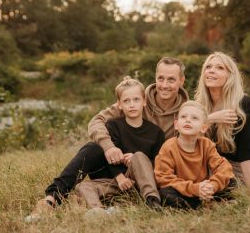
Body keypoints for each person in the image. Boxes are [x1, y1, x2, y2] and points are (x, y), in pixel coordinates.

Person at [26, 57, 188, 220]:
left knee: (143, 163)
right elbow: (96, 121)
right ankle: (51, 199)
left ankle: (145, 201)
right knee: (92, 148)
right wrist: (109, 147)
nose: (164, 85)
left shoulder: (186, 112)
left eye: (171, 80)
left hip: (150, 172)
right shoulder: (135, 96)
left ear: (181, 81)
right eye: (161, 78)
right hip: (115, 167)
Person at [75, 76, 164, 213]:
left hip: (144, 182)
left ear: (144, 101)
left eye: (136, 100)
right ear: (120, 105)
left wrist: (136, 161)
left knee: (139, 156)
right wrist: (120, 178)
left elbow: (159, 162)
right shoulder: (113, 125)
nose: (132, 105)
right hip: (117, 182)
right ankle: (98, 211)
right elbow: (108, 156)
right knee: (83, 186)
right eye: (126, 101)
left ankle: (152, 201)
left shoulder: (156, 132)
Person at [195, 52, 250, 192]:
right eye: (208, 67)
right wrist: (210, 118)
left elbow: (246, 152)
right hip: (200, 167)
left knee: (220, 189)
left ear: (230, 76)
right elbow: (186, 141)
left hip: (229, 169)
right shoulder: (198, 107)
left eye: (219, 68)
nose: (211, 70)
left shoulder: (243, 104)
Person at [154, 101, 234, 209]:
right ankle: (203, 205)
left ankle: (206, 199)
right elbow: (163, 178)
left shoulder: (206, 145)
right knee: (165, 194)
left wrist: (212, 186)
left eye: (194, 118)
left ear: (203, 128)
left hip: (204, 188)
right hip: (184, 192)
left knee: (231, 181)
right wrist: (195, 189)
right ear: (176, 125)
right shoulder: (168, 147)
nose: (188, 120)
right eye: (183, 117)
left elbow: (223, 167)